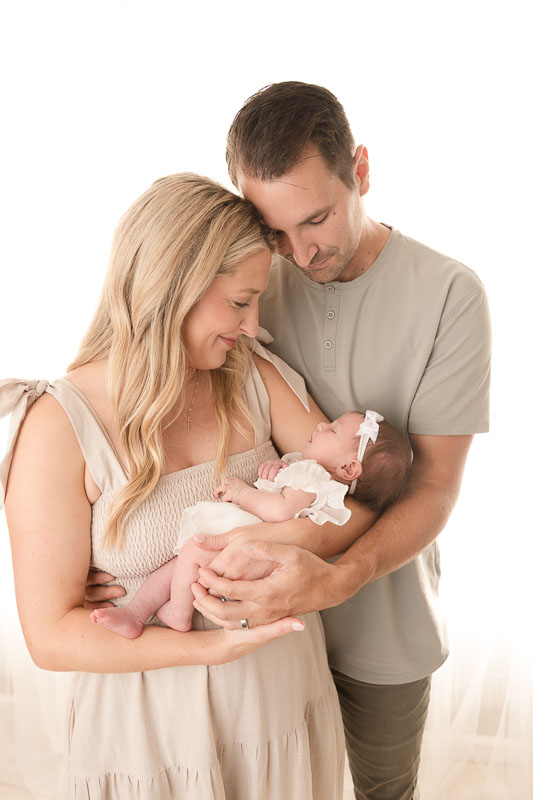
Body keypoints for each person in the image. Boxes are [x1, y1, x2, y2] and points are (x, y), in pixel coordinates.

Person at [0, 172, 373, 799]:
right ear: (171, 289)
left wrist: (256, 537)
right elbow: (51, 637)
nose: (253, 326)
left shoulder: (250, 375)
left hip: (279, 704)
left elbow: (354, 501)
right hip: (152, 740)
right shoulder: (58, 426)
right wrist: (210, 650)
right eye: (238, 302)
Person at [179, 82, 490, 800]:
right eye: (272, 231)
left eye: (314, 219)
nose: (297, 251)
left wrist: (337, 578)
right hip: (256, 628)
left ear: (362, 171)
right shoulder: (250, 283)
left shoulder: (449, 294)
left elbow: (435, 484)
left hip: (383, 625)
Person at [90, 410, 411, 637]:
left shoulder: (314, 478)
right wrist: (275, 469)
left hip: (255, 536)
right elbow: (286, 491)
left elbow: (281, 511)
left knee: (192, 552)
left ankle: (177, 613)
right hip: (258, 542)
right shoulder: (311, 476)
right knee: (183, 561)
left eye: (334, 430)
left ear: (349, 467)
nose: (322, 423)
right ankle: (135, 613)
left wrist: (242, 493)